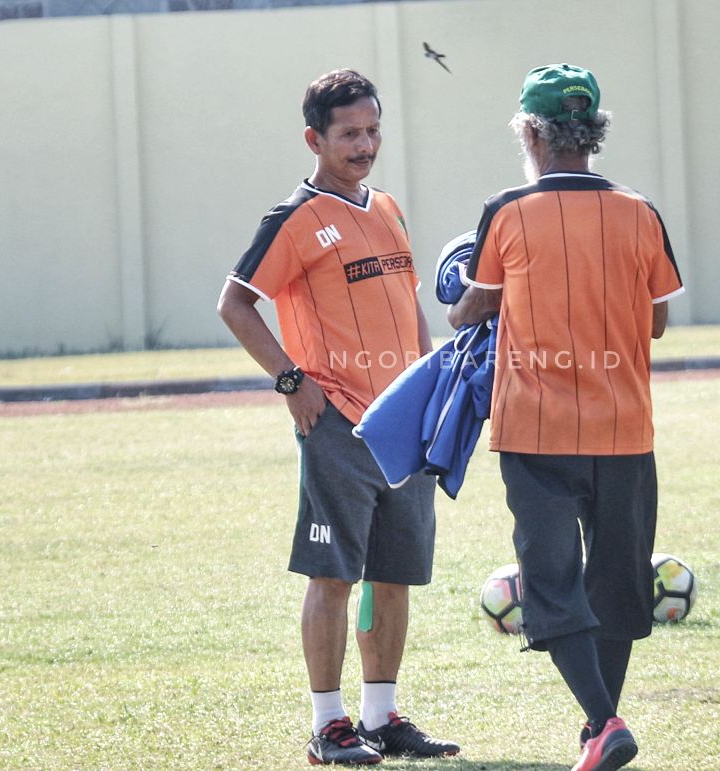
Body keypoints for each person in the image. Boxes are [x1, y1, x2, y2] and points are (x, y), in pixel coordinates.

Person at [216, 68, 458, 766]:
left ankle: (382, 716)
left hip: (403, 425)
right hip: (338, 424)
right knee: (332, 577)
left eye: (373, 129)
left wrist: (429, 378)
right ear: (313, 138)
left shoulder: (387, 207)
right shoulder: (293, 219)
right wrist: (291, 380)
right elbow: (235, 303)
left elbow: (408, 299)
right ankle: (330, 725)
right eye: (349, 133)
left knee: (394, 574)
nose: (364, 144)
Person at [449, 63, 684, 771]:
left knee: (551, 585)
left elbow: (475, 306)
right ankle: (599, 728)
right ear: (594, 132)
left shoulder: (506, 211)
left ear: (531, 131)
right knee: (617, 584)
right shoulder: (640, 211)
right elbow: (659, 320)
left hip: (535, 428)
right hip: (624, 428)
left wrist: (457, 296)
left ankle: (602, 720)